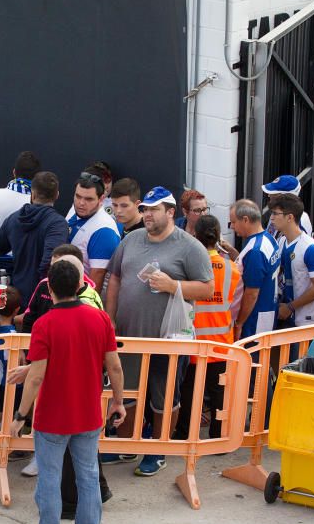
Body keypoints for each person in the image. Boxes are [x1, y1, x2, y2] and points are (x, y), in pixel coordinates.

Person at [11, 259, 126, 524]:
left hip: (52, 418)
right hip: (88, 415)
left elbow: (37, 375)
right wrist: (118, 401)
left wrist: (20, 416)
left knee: (49, 479)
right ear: (81, 285)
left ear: (49, 289)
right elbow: (113, 365)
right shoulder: (100, 319)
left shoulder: (43, 325)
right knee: (88, 477)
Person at [105, 186, 214, 476]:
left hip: (169, 340)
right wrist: (109, 318)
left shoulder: (190, 247)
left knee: (163, 396)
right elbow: (115, 278)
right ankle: (126, 447)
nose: (147, 214)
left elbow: (207, 288)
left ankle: (158, 449)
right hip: (129, 337)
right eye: (145, 209)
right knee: (125, 393)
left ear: (170, 212)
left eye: (153, 209)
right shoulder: (131, 240)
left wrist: (174, 286)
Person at [175, 214, 241, 441]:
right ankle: (219, 436)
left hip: (193, 341)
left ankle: (185, 434)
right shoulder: (232, 268)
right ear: (219, 236)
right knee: (219, 392)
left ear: (195, 235)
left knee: (189, 392)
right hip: (222, 342)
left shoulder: (189, 266)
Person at [0, 171, 67, 305]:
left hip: (18, 295)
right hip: (41, 301)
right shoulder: (57, 224)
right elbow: (50, 263)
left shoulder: (14, 218)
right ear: (57, 195)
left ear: (33, 194)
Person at [269, 194, 314, 327]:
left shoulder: (310, 248)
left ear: (290, 217)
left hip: (308, 321)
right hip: (290, 315)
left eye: (275, 214)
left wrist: (290, 307)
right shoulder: (282, 241)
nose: (271, 218)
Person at [230, 199, 280, 338]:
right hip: (267, 312)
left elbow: (251, 293)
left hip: (254, 320)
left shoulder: (255, 251)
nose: (232, 227)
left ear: (245, 220)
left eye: (234, 222)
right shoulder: (269, 239)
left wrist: (239, 323)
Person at [66, 172, 121, 290]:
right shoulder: (76, 209)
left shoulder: (104, 230)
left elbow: (96, 280)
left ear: (101, 199)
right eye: (78, 196)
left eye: (88, 199)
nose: (81, 203)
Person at [0, 285, 23, 453]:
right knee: (14, 413)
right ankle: (11, 447)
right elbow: (16, 362)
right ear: (17, 310)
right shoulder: (13, 336)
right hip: (13, 383)